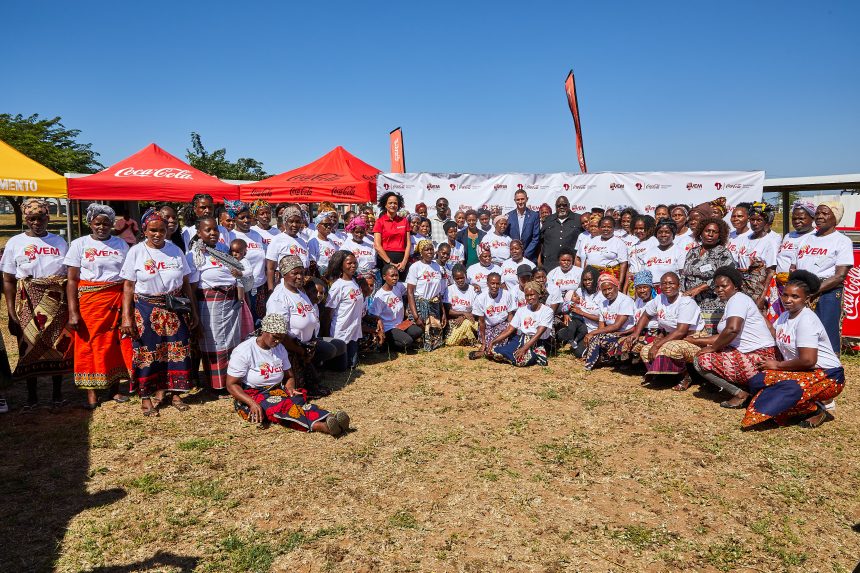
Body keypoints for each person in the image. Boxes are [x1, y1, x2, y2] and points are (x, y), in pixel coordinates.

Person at [120, 209, 199, 416]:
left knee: (178, 351)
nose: (157, 234)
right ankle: (146, 397)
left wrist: (193, 311)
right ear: (144, 230)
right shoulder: (136, 252)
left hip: (174, 309)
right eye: (153, 230)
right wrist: (126, 318)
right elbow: (128, 286)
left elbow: (186, 282)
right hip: (146, 308)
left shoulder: (175, 250)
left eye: (162, 230)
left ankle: (175, 393)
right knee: (147, 354)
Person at [742, 271, 844, 429]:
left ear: (807, 299)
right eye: (785, 295)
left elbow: (808, 360)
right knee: (758, 381)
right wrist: (759, 314)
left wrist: (777, 365)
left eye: (795, 297)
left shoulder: (806, 320)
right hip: (802, 371)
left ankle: (816, 409)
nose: (788, 300)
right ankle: (800, 402)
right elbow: (776, 335)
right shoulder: (784, 316)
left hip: (828, 375)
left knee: (785, 392)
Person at [225, 314, 350, 435]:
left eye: (281, 338)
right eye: (275, 337)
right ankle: (323, 426)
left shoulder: (279, 348)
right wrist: (252, 403)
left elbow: (289, 376)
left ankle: (329, 417)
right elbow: (232, 384)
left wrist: (290, 388)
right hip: (254, 394)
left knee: (297, 401)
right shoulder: (244, 351)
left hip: (277, 391)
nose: (278, 341)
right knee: (282, 408)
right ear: (264, 331)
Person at [1, 198, 72, 409]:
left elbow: (68, 274)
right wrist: (12, 313)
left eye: (40, 218)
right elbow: (8, 279)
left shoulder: (59, 242)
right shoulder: (15, 242)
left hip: (57, 301)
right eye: (31, 218)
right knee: (28, 346)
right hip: (28, 300)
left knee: (58, 346)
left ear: (47, 217)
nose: (36, 222)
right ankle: (32, 398)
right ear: (26, 219)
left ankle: (57, 395)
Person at [65, 203, 132, 409]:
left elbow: (128, 277)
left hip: (115, 299)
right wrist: (73, 312)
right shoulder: (79, 244)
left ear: (112, 224)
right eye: (97, 223)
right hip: (89, 301)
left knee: (113, 344)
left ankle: (114, 390)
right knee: (89, 345)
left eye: (106, 223)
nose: (102, 227)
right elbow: (72, 280)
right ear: (90, 223)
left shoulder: (121, 245)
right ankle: (91, 394)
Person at [686, 266, 777, 408]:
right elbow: (724, 335)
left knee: (701, 360)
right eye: (716, 287)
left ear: (735, 285)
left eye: (724, 286)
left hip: (760, 356)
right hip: (750, 353)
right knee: (708, 352)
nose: (719, 290)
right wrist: (696, 341)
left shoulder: (738, 299)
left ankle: (741, 394)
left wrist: (712, 348)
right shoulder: (733, 302)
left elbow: (732, 330)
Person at [266, 255, 348, 390]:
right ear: (284, 274)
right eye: (295, 273)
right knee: (301, 388)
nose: (299, 277)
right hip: (290, 349)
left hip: (307, 344)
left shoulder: (299, 291)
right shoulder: (279, 298)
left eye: (302, 273)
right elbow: (278, 334)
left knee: (337, 346)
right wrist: (301, 350)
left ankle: (313, 367)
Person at [187, 216, 245, 394]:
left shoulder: (222, 249)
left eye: (215, 229)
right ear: (199, 233)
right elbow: (191, 288)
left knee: (231, 342)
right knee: (214, 343)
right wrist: (194, 313)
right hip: (209, 303)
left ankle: (232, 381)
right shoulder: (194, 255)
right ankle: (217, 384)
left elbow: (237, 272)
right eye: (208, 230)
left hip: (230, 302)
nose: (213, 233)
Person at [622, 272, 704, 391]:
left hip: (692, 338)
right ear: (659, 286)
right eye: (664, 283)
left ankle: (686, 376)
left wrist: (657, 345)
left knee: (670, 348)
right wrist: (636, 333)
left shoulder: (686, 302)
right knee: (645, 351)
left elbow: (681, 331)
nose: (667, 286)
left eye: (671, 283)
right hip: (671, 336)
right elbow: (646, 315)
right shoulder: (660, 298)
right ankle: (664, 377)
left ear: (679, 285)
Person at [791, 201, 853, 355]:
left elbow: (840, 275)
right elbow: (794, 266)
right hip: (802, 290)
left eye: (825, 213)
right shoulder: (806, 238)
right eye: (818, 213)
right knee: (802, 330)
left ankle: (831, 370)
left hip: (827, 291)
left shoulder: (842, 241)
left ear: (836, 217)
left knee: (826, 331)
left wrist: (813, 291)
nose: (819, 216)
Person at [680, 217, 735, 335]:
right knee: (690, 335)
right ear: (700, 233)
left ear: (720, 236)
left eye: (715, 232)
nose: (710, 234)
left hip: (713, 303)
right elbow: (684, 274)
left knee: (708, 337)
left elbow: (725, 276)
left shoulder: (723, 253)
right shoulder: (692, 252)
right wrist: (682, 294)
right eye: (707, 231)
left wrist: (699, 288)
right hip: (691, 302)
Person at [767, 199, 815, 322]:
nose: (797, 221)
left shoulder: (815, 236)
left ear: (812, 218)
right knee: (781, 320)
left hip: (798, 288)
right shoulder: (789, 235)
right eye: (794, 218)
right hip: (780, 286)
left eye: (801, 218)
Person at [487, 281, 553, 367]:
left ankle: (535, 355)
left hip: (536, 342)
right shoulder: (522, 310)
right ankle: (513, 355)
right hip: (520, 339)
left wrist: (524, 348)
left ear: (539, 295)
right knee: (495, 351)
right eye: (527, 295)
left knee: (521, 361)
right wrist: (493, 342)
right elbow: (509, 329)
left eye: (532, 295)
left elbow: (538, 334)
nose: (529, 298)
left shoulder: (547, 311)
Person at [580, 273, 636, 370]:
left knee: (597, 337)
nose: (607, 292)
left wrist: (593, 333)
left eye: (609, 288)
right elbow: (601, 327)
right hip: (612, 333)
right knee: (596, 338)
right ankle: (598, 359)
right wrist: (595, 335)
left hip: (625, 333)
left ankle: (590, 365)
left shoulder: (625, 301)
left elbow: (617, 326)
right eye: (604, 290)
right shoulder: (603, 303)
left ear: (616, 286)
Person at [324, 251, 365, 369]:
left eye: (355, 263)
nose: (353, 265)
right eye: (349, 263)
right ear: (341, 265)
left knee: (352, 366)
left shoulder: (354, 282)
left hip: (353, 333)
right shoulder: (338, 286)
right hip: (340, 333)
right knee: (341, 368)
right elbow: (328, 313)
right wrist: (327, 336)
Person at [733, 202, 777, 309]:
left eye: (759, 220)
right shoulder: (744, 239)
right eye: (752, 219)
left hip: (758, 291)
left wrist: (762, 297)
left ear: (766, 222)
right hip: (742, 288)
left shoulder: (769, 242)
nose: (755, 223)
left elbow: (771, 272)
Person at [406, 239, 447, 351]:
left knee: (437, 337)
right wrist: (416, 316)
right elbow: (410, 292)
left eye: (431, 250)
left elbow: (439, 292)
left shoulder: (438, 267)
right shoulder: (415, 267)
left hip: (434, 305)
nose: (430, 252)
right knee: (419, 330)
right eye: (426, 250)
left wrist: (443, 312)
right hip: (419, 305)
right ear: (421, 252)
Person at [373, 264, 424, 352]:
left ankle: (400, 338)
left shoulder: (398, 286)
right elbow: (374, 315)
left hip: (400, 324)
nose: (395, 278)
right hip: (389, 327)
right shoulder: (380, 296)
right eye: (392, 276)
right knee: (407, 342)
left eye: (396, 275)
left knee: (418, 331)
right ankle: (388, 343)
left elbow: (411, 287)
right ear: (384, 277)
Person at [559, 266, 604, 356]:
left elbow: (603, 319)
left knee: (579, 353)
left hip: (594, 329)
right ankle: (573, 340)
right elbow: (567, 302)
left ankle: (583, 344)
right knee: (561, 334)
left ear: (596, 278)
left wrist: (582, 313)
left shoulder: (602, 295)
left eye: (590, 279)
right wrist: (566, 314)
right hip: (579, 325)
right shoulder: (579, 291)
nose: (587, 282)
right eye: (585, 280)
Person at [470, 272, 516, 359]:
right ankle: (490, 350)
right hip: (488, 326)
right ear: (487, 284)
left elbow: (510, 314)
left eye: (497, 283)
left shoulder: (507, 295)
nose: (495, 286)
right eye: (492, 283)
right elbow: (482, 322)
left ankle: (485, 353)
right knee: (489, 341)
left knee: (501, 335)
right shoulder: (481, 298)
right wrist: (483, 342)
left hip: (502, 324)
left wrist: (509, 329)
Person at [266, 206, 309, 290]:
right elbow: (270, 268)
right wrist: (271, 289)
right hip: (283, 285)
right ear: (285, 222)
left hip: (300, 285)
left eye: (297, 222)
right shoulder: (277, 239)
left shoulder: (303, 242)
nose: (294, 225)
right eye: (291, 221)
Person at [579, 216, 629, 288]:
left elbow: (623, 264)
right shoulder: (592, 241)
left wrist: (620, 284)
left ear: (613, 228)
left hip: (608, 279)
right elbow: (587, 260)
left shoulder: (619, 243)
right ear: (599, 227)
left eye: (609, 227)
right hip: (591, 279)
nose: (606, 229)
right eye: (603, 227)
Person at [634, 219, 684, 289]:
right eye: (660, 232)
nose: (663, 235)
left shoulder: (680, 252)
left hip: (671, 292)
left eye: (667, 232)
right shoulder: (649, 253)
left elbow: (683, 277)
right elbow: (643, 277)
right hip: (652, 294)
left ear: (673, 234)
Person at [373, 191, 411, 279]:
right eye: (390, 203)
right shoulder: (380, 221)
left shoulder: (404, 221)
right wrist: (389, 262)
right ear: (385, 205)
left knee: (401, 288)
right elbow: (377, 245)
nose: (393, 205)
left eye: (395, 203)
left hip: (402, 260)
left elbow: (408, 244)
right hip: (385, 259)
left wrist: (404, 262)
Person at [539, 196, 581, 271]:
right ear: (555, 207)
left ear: (569, 205)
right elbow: (541, 242)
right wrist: (540, 260)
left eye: (564, 205)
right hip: (550, 264)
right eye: (559, 206)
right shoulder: (548, 220)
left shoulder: (578, 219)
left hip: (571, 264)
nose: (561, 207)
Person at [444, 263, 479, 346]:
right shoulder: (449, 289)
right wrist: (463, 313)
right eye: (457, 278)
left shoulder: (473, 290)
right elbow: (448, 311)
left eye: (462, 277)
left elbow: (476, 311)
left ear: (466, 276)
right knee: (450, 342)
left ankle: (468, 339)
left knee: (468, 323)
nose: (460, 280)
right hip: (454, 320)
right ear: (453, 278)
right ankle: (470, 340)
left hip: (469, 318)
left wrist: (464, 317)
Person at [505, 189, 540, 262]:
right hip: (512, 257)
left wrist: (526, 254)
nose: (520, 202)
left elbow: (535, 237)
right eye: (518, 200)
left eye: (522, 199)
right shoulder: (508, 216)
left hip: (529, 257)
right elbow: (506, 236)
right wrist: (514, 252)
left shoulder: (534, 216)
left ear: (527, 199)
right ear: (514, 200)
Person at [340, 215, 376, 282]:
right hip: (353, 278)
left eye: (361, 232)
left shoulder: (370, 245)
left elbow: (374, 264)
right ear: (352, 231)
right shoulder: (346, 246)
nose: (359, 235)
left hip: (369, 279)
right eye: (356, 232)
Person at [308, 211, 342, 278]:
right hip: (320, 277)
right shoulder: (314, 242)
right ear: (318, 226)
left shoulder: (331, 242)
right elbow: (312, 262)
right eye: (326, 225)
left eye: (330, 224)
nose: (329, 227)